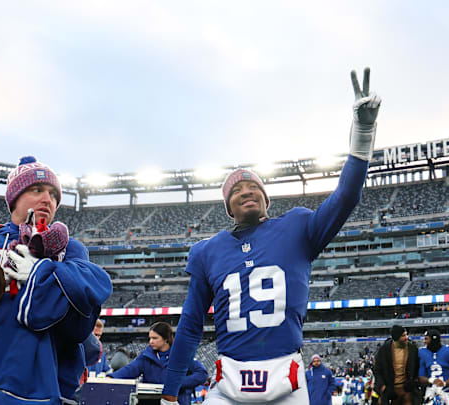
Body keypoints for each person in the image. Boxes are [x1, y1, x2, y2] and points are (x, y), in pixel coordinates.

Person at [160, 67, 381, 405]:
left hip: (286, 382)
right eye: (237, 190)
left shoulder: (296, 228)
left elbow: (346, 197)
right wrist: (170, 392)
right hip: (229, 381)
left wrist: (363, 133)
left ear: (266, 199)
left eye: (254, 187)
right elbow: (190, 325)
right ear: (228, 208)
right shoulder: (207, 251)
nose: (246, 191)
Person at [0, 156, 112, 405]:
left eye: (53, 194)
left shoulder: (68, 250)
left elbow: (88, 297)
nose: (47, 199)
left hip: (22, 393)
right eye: (36, 190)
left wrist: (42, 271)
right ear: (15, 198)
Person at [110, 322, 208, 405]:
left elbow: (202, 374)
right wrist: (111, 378)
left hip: (176, 401)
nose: (151, 341)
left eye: (155, 338)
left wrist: (178, 383)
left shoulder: (181, 355)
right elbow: (130, 370)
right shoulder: (145, 356)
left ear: (166, 339)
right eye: (150, 338)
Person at [372, 326, 420, 405]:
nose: (406, 337)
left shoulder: (412, 348)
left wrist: (414, 382)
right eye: (403, 335)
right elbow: (377, 371)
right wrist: (384, 388)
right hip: (392, 391)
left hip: (407, 390)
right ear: (396, 337)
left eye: (406, 334)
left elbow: (417, 367)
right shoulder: (384, 350)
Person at [418, 329, 449, 405]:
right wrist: (432, 380)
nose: (424, 342)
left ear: (434, 339)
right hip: (431, 391)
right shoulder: (422, 352)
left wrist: (444, 383)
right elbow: (421, 377)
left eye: (426, 339)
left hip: (448, 391)